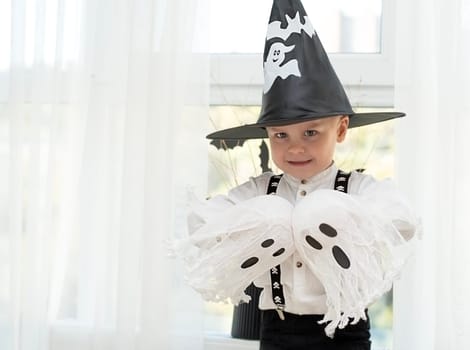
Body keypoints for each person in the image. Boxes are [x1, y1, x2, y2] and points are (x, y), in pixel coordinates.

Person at [172, 1, 420, 349]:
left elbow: (402, 220)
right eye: (280, 136)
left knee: (322, 212)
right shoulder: (262, 191)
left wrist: (342, 217)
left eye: (311, 133)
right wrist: (260, 222)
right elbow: (203, 222)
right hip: (278, 329)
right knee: (271, 214)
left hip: (346, 331)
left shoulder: (358, 188)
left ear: (342, 129)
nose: (295, 149)